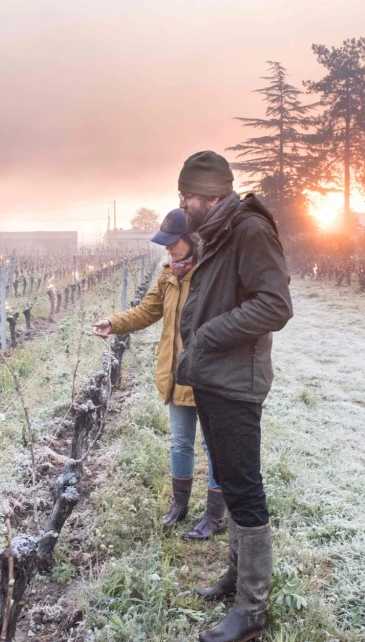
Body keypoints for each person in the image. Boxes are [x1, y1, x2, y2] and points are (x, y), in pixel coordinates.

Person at [174, 150, 293, 642]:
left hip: (235, 381)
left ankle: (253, 608)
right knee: (227, 475)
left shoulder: (249, 230)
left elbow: (275, 305)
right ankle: (235, 578)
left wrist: (207, 335)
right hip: (214, 377)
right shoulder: (219, 231)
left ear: (210, 196)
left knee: (243, 486)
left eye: (187, 196)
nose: (182, 204)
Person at [92, 209, 227, 540]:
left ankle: (214, 515)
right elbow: (146, 311)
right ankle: (180, 506)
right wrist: (113, 323)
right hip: (176, 371)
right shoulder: (168, 276)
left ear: (191, 240)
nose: (167, 249)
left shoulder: (211, 275)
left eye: (173, 242)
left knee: (214, 446)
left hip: (207, 374)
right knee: (180, 443)